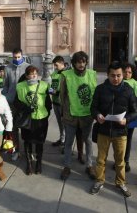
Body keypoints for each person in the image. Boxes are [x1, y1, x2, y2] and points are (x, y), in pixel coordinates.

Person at [89, 61, 137, 197]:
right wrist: (97, 115)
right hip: (103, 130)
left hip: (120, 132)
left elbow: (135, 112)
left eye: (118, 75)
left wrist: (126, 120)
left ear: (123, 75)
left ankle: (120, 182)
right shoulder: (100, 89)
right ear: (107, 75)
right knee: (100, 159)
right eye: (112, 76)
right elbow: (93, 108)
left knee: (120, 161)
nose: (115, 79)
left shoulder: (128, 90)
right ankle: (99, 181)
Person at [60, 51, 97, 180]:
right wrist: (63, 114)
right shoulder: (65, 75)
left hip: (87, 116)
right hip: (71, 116)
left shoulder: (92, 74)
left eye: (83, 61)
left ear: (86, 62)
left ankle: (89, 165)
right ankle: (67, 166)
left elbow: (95, 95)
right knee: (69, 142)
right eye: (78, 62)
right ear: (74, 63)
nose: (81, 64)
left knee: (88, 141)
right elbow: (62, 96)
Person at [14, 66, 52, 175]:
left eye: (35, 73)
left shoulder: (44, 85)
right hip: (28, 119)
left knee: (40, 142)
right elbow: (16, 102)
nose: (34, 75)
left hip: (41, 118)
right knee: (27, 141)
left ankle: (39, 162)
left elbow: (48, 103)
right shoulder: (20, 86)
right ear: (26, 76)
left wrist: (46, 114)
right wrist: (26, 108)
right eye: (31, 73)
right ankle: (29, 163)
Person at [1, 48, 30, 161]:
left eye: (19, 57)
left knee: (25, 126)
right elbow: (6, 85)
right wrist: (5, 98)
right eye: (15, 57)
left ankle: (28, 151)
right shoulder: (8, 68)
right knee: (11, 127)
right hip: (11, 102)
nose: (17, 59)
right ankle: (14, 149)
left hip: (23, 102)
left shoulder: (27, 67)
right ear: (12, 56)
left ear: (22, 56)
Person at [122, 63, 137, 173]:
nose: (127, 74)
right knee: (118, 139)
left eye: (130, 72)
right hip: (119, 114)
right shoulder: (117, 80)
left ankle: (126, 161)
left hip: (131, 115)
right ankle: (119, 160)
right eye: (125, 71)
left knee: (128, 139)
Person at [50, 55, 66, 148]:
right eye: (54, 65)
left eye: (56, 65)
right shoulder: (55, 73)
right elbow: (52, 86)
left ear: (62, 63)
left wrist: (55, 91)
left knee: (65, 123)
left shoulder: (67, 73)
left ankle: (66, 142)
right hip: (55, 102)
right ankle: (62, 139)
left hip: (62, 103)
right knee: (59, 123)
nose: (55, 67)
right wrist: (51, 90)